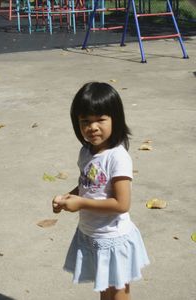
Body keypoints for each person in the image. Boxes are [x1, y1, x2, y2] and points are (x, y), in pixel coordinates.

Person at [52, 82, 149, 300]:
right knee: (105, 288)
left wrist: (81, 203)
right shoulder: (86, 152)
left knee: (118, 291)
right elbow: (87, 185)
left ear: (116, 119)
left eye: (100, 120)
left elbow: (121, 204)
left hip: (113, 237)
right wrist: (68, 197)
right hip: (93, 233)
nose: (92, 127)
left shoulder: (117, 157)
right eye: (85, 121)